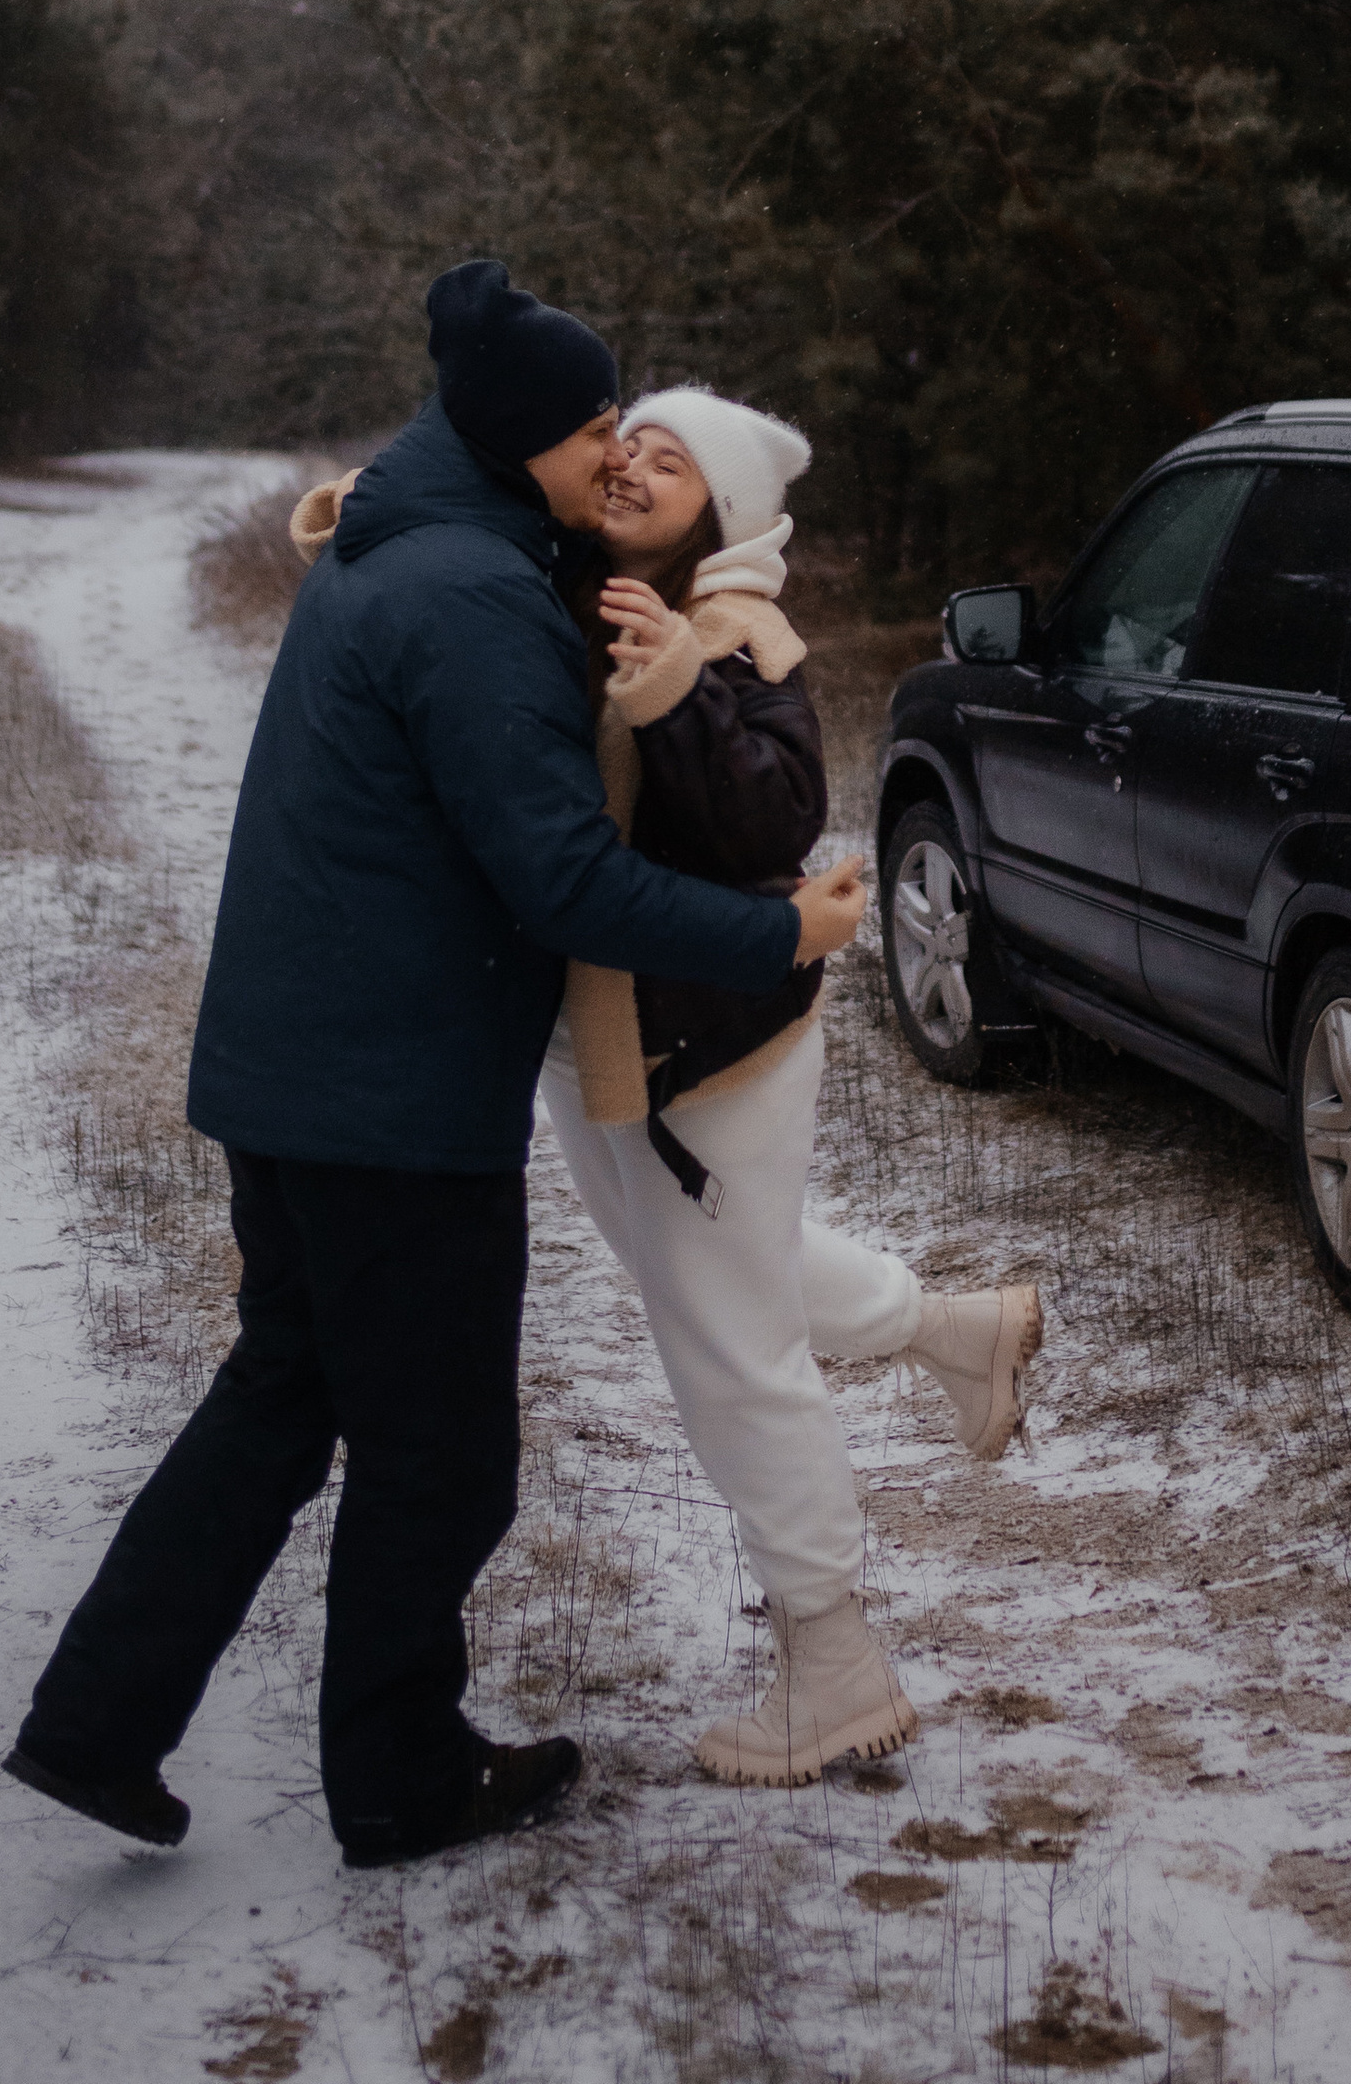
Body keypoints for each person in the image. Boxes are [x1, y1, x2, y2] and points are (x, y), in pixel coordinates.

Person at [1, 263, 867, 1874]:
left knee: (284, 1393)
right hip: (388, 1101)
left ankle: (96, 1724)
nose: (617, 451)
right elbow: (563, 878)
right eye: (600, 426)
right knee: (443, 1459)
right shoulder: (469, 599)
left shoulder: (412, 535)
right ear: (526, 436)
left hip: (294, 1066)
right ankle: (400, 1779)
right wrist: (782, 931)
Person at [535, 386, 1043, 1788]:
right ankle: (955, 1332)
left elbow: (776, 813)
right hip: (602, 1033)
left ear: (726, 513)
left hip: (714, 1044)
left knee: (729, 1344)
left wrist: (672, 691)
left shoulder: (735, 630)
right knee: (710, 1270)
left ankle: (835, 1661)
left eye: (671, 460)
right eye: (628, 443)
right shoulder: (587, 578)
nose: (633, 465)